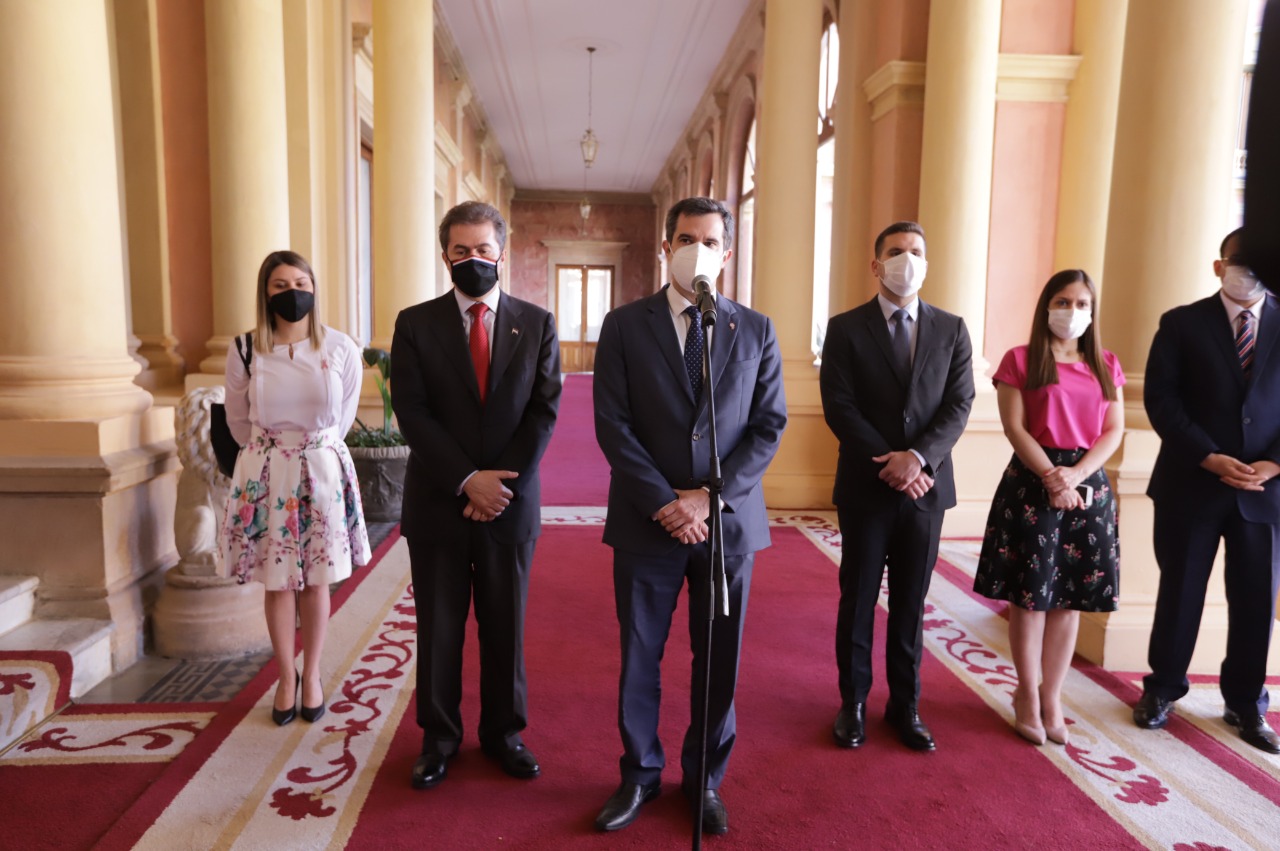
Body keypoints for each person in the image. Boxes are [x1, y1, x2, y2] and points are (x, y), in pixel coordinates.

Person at [592, 197, 786, 836]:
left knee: (719, 659)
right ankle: (639, 773)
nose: (696, 249)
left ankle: (703, 777)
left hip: (727, 525)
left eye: (709, 240)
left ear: (726, 254)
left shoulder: (754, 329)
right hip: (648, 520)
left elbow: (767, 425)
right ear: (665, 246)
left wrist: (711, 497)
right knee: (640, 655)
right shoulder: (624, 325)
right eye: (685, 237)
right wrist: (667, 502)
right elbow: (614, 426)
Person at [390, 201, 561, 789]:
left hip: (509, 504)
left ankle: (503, 733)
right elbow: (411, 411)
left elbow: (543, 411)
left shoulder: (536, 323)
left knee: (503, 623)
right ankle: (438, 738)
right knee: (438, 626)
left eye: (483, 250)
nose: (473, 260)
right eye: (461, 251)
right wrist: (467, 480)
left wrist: (497, 486)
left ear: (502, 255)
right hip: (440, 498)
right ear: (445, 257)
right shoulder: (415, 324)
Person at [819, 221, 974, 753]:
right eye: (895, 251)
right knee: (858, 598)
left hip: (926, 489)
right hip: (867, 486)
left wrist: (918, 459)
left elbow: (959, 404)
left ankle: (905, 705)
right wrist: (888, 461)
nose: (906, 260)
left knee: (911, 603)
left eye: (916, 252)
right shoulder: (845, 328)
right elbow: (839, 405)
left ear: (926, 263)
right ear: (876, 264)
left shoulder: (952, 329)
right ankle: (853, 704)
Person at [1133, 227, 1280, 754]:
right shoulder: (1180, 323)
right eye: (1241, 262)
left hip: (1264, 490)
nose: (1252, 271)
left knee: (1256, 602)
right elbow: (1161, 400)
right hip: (1191, 483)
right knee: (1181, 592)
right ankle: (1163, 689)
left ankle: (1245, 702)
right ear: (1219, 267)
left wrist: (1273, 462)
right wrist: (1209, 456)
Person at [972, 270, 1124, 747]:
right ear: (1046, 306)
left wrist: (1075, 476)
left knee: (1071, 600)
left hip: (1088, 487)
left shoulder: (1105, 363)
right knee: (1031, 598)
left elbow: (1113, 430)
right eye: (1063, 301)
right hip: (1033, 481)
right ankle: (1025, 693)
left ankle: (1052, 695)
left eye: (1082, 303)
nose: (1072, 311)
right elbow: (1016, 428)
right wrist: (1052, 477)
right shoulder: (1020, 360)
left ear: (1092, 312)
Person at [222, 250, 371, 727]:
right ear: (266, 294)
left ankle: (313, 675)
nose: (293, 293)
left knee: (317, 577)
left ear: (314, 288)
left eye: (301, 283)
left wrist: (310, 452)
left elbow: (344, 415)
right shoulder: (246, 348)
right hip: (268, 470)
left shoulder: (341, 347)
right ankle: (286, 677)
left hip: (321, 469)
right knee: (279, 579)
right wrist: (271, 459)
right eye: (280, 285)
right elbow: (237, 420)